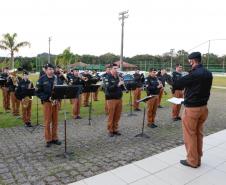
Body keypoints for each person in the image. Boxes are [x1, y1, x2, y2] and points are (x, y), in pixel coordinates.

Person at [172, 52, 212, 168]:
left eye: (189, 61)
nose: (189, 63)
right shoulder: (208, 73)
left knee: (190, 134)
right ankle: (198, 157)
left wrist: (168, 79)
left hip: (192, 109)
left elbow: (178, 83)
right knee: (198, 133)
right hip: (203, 108)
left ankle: (192, 160)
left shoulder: (194, 73)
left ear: (192, 61)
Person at [36, 63, 62, 148]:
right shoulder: (41, 79)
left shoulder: (56, 78)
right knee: (47, 122)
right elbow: (37, 92)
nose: (51, 71)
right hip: (47, 103)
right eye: (49, 69)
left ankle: (54, 138)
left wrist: (58, 98)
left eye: (52, 69)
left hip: (55, 102)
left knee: (55, 121)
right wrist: (47, 97)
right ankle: (48, 139)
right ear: (46, 70)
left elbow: (60, 88)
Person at [104, 64, 123, 137]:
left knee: (117, 115)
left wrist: (122, 84)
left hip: (119, 98)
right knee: (111, 116)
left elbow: (121, 88)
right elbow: (109, 88)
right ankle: (110, 130)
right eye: (115, 68)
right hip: (111, 99)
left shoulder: (118, 77)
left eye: (117, 68)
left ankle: (115, 129)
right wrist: (117, 84)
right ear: (111, 69)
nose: (116, 70)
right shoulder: (107, 77)